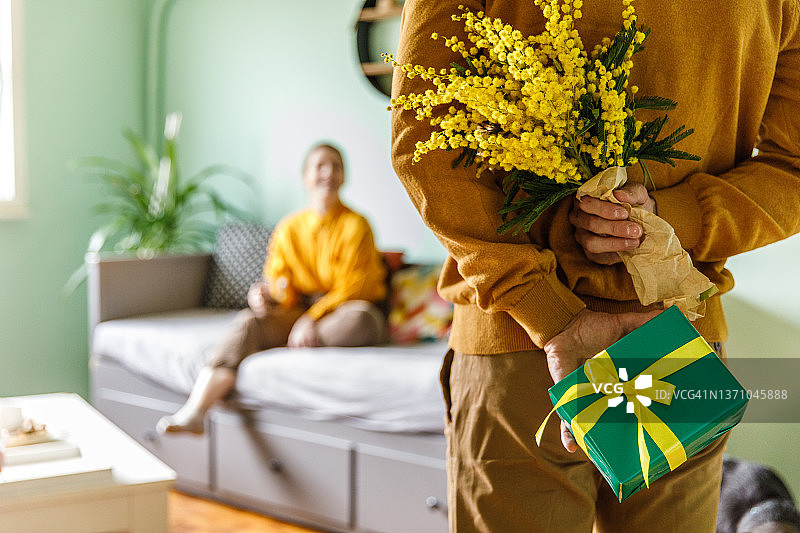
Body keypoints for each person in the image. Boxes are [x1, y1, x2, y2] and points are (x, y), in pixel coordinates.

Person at [390, 1, 800, 532]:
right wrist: (670, 219)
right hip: (676, 336)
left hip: (521, 345)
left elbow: (425, 144)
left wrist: (549, 310)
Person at [157, 143, 388, 434]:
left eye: (337, 166)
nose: (329, 172)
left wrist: (311, 319)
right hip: (299, 313)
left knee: (360, 317)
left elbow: (353, 288)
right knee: (249, 321)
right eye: (320, 165)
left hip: (342, 312)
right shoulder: (289, 228)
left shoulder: (357, 225)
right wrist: (266, 298)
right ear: (306, 177)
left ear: (344, 177)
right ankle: (196, 411)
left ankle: (290, 341)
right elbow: (281, 285)